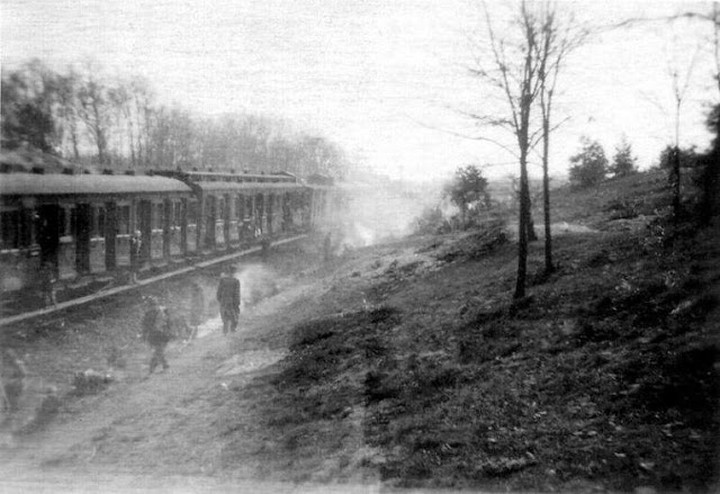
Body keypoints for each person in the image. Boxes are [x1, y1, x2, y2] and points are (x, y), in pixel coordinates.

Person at [140, 296, 174, 374]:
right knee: (159, 352)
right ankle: (157, 368)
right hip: (160, 334)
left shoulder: (149, 314)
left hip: (158, 335)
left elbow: (145, 326)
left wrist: (144, 335)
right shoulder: (163, 311)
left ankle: (159, 367)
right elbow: (169, 322)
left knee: (158, 351)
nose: (153, 307)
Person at [0, 348, 27, 427]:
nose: (6, 358)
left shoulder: (18, 364)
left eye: (8, 356)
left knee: (14, 402)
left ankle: (14, 421)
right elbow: (2, 374)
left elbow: (23, 375)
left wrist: (13, 381)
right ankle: (11, 421)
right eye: (6, 357)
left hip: (16, 385)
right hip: (7, 385)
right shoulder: (4, 364)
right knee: (9, 402)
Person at [216, 267, 240, 335]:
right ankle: (233, 330)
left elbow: (218, 293)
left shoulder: (222, 280)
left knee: (225, 319)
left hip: (223, 302)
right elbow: (237, 293)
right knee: (234, 319)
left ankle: (225, 333)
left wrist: (220, 300)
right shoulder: (236, 281)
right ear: (234, 273)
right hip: (231, 302)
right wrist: (237, 303)